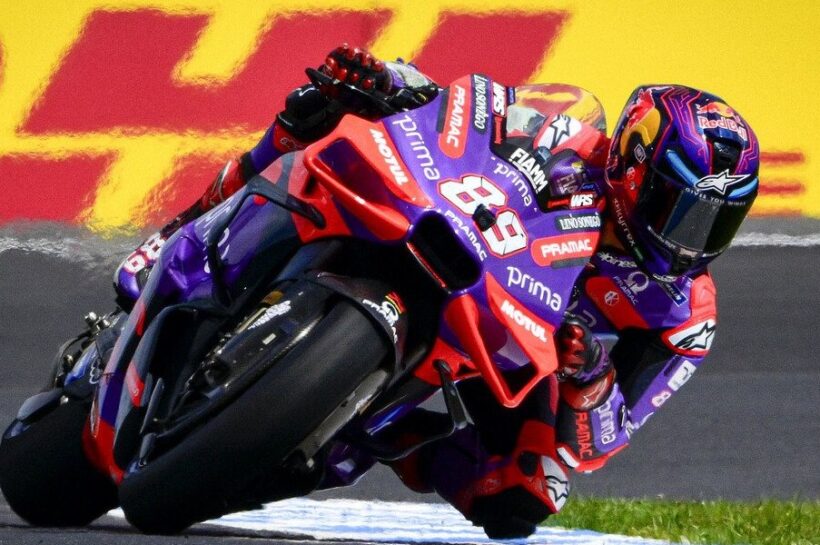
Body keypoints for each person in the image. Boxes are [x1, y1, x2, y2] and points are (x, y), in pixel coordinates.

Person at [114, 46, 760, 538]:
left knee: (528, 494)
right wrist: (388, 84)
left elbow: (599, 444)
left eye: (714, 221)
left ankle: (363, 433)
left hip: (506, 350)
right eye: (677, 207)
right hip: (446, 241)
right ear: (633, 164)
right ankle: (183, 236)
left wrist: (589, 376)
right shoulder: (564, 140)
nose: (690, 237)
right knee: (319, 111)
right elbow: (462, 107)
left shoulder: (681, 310)